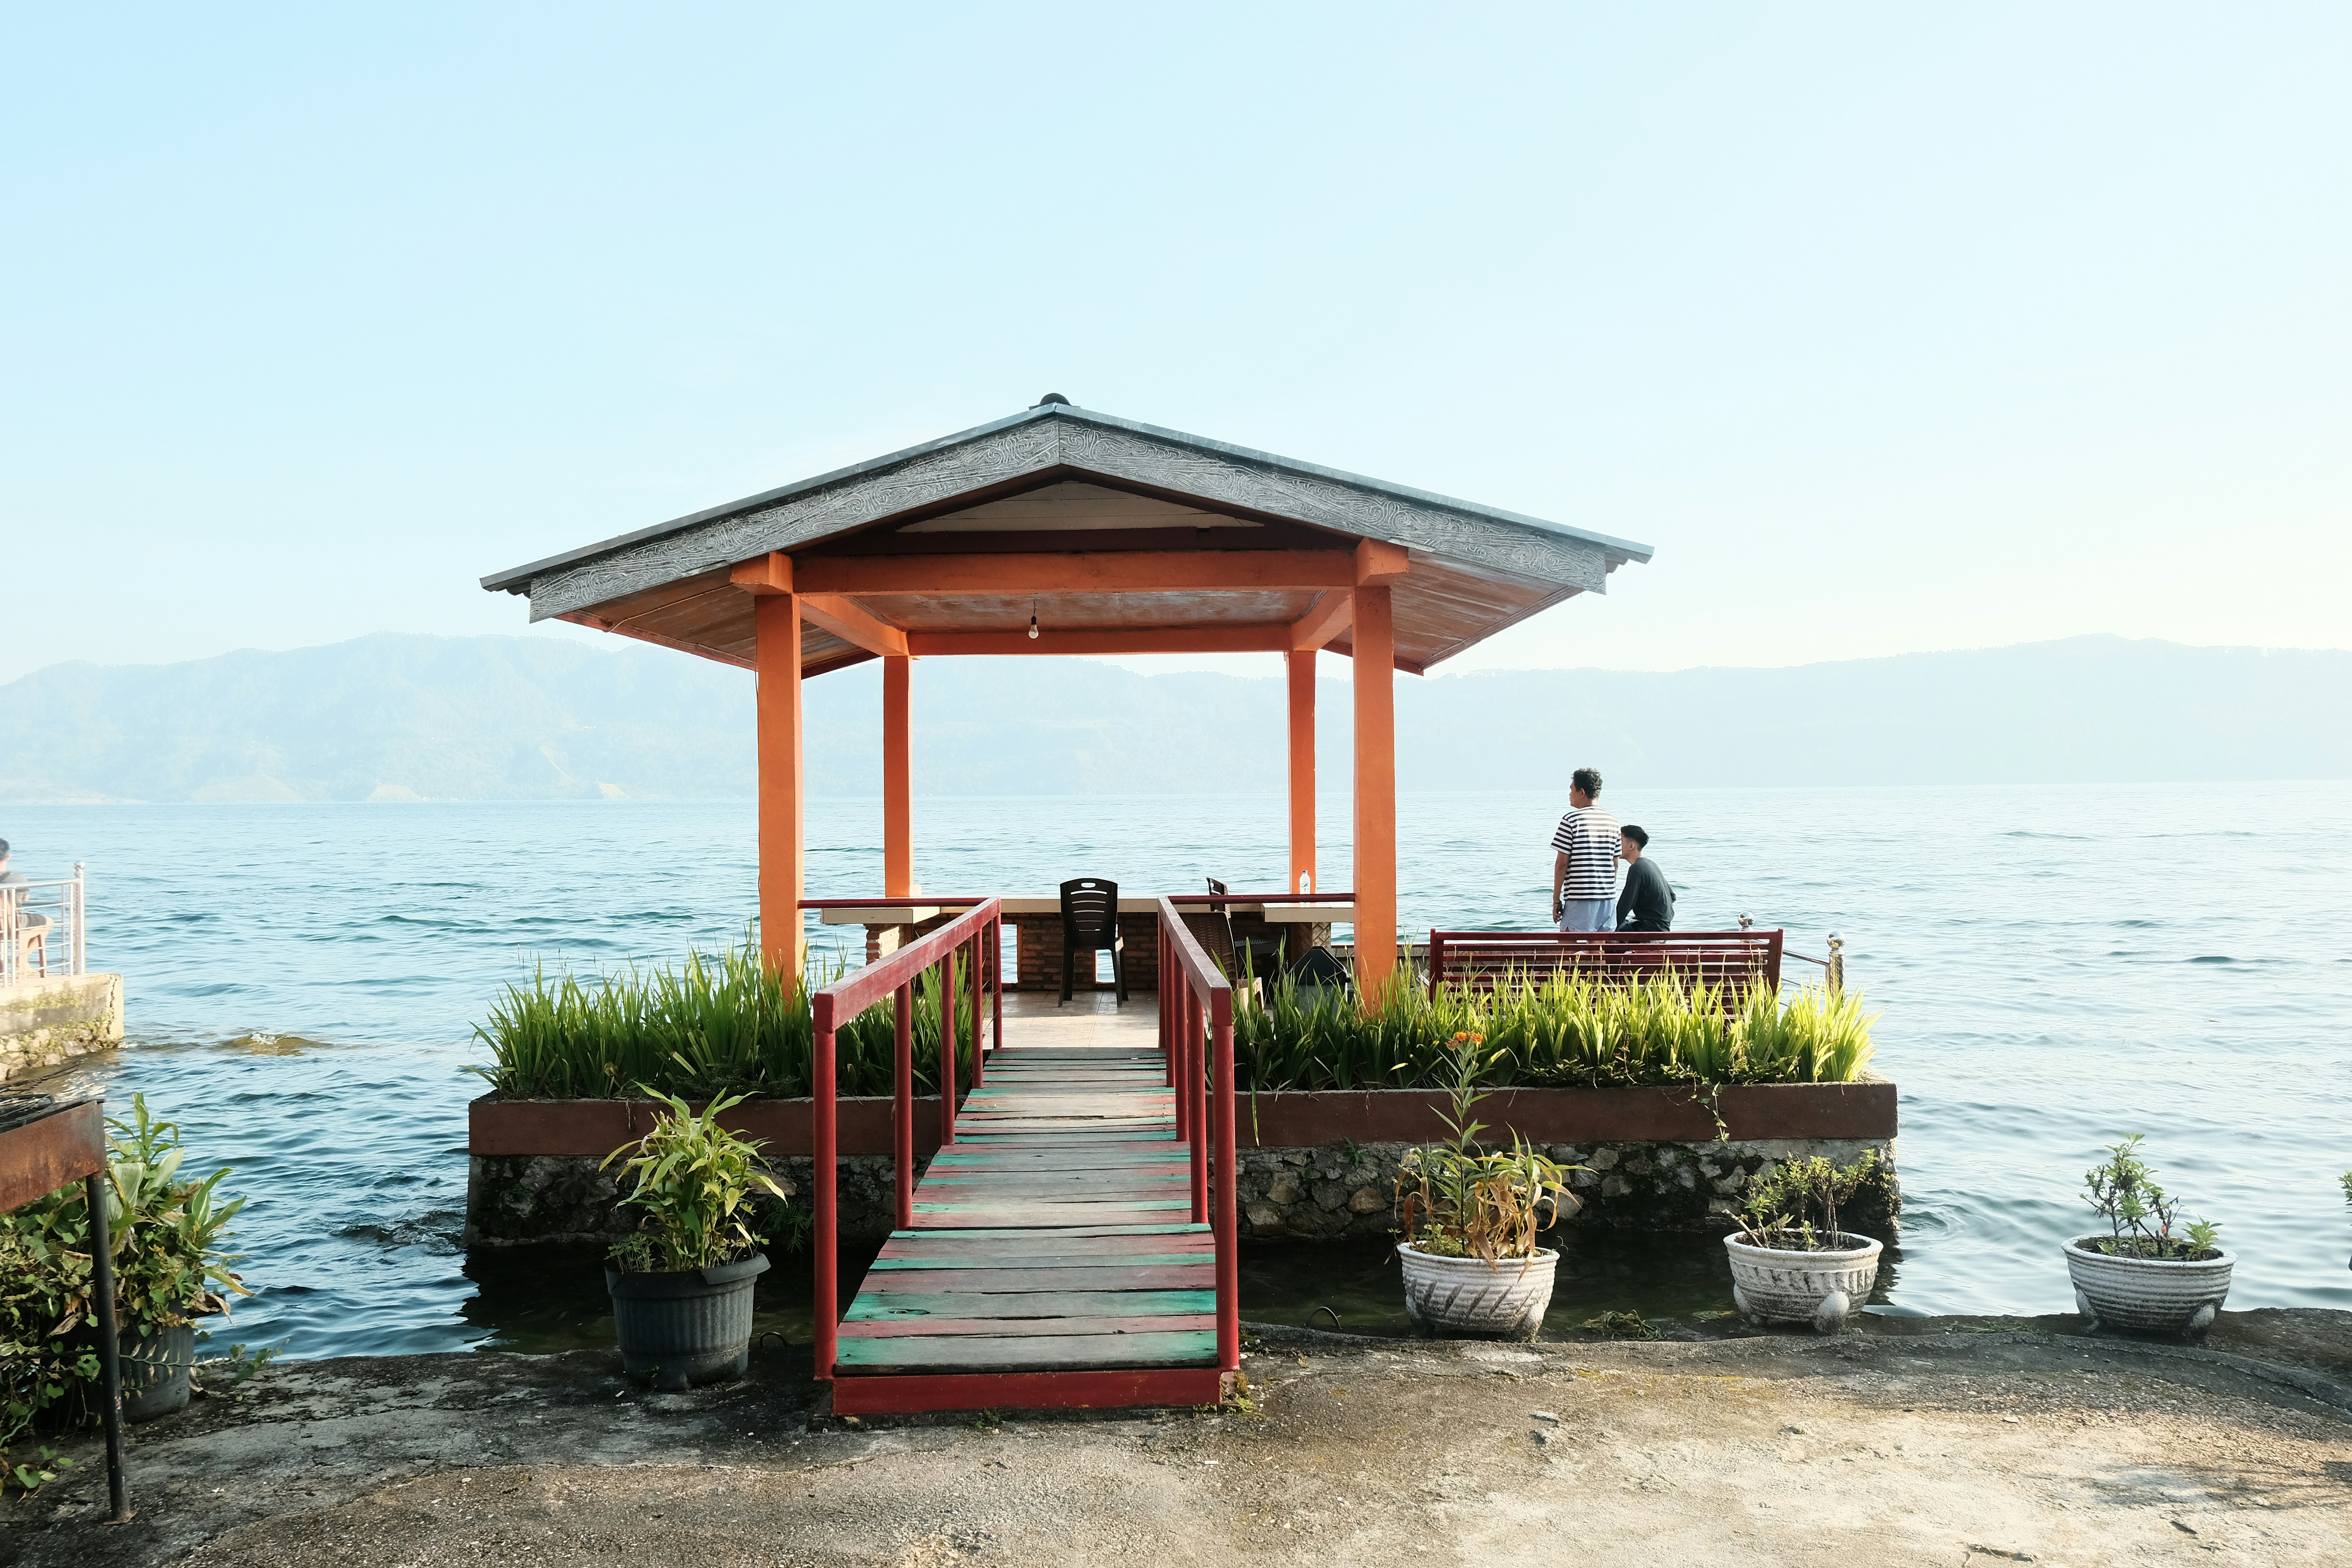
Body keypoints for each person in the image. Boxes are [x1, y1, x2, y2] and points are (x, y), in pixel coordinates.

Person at [1548, 767, 1621, 932]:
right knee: (1599, 950)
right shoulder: (1613, 821)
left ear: (1582, 792)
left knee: (1567, 948)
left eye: (1571, 790)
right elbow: (1615, 864)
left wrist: (1556, 900)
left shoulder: (1571, 820)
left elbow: (1561, 864)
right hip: (1608, 899)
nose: (1569, 794)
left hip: (1580, 899)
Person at [1615, 824, 1674, 932]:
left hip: (1649, 930)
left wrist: (1609, 930)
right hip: (1662, 928)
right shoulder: (1650, 864)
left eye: (1619, 841)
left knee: (1601, 937)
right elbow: (1672, 897)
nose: (1615, 845)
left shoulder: (1636, 869)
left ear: (1631, 846)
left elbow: (1626, 905)